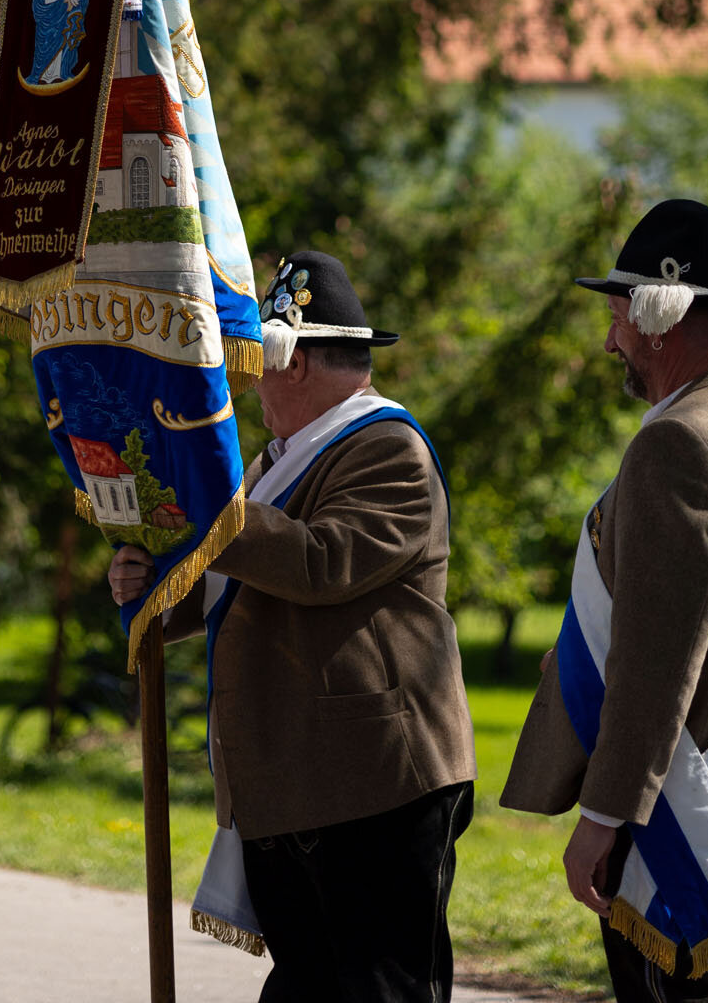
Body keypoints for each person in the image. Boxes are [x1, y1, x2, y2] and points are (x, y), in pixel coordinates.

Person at [109, 250, 477, 1003]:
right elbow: (229, 586)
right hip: (296, 775)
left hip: (374, 779)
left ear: (297, 361)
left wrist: (210, 507)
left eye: (255, 361)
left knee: (382, 988)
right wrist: (151, 588)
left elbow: (320, 564)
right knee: (307, 985)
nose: (243, 383)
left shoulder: (385, 448)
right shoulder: (274, 462)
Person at [500, 199, 708, 1002]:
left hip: (671, 792)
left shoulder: (673, 442)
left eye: (617, 319)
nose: (610, 341)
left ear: (658, 318)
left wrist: (603, 813)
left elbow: (653, 656)